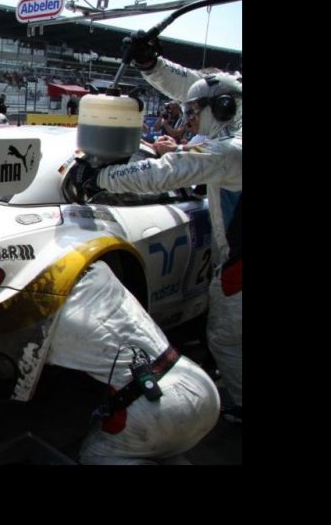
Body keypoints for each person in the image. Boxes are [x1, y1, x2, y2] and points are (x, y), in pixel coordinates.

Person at [71, 35, 243, 424]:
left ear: (222, 109)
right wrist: (152, 64)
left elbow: (167, 172)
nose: (189, 120)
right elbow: (200, 86)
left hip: (240, 264)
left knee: (226, 337)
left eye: (194, 113)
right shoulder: (232, 115)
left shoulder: (232, 149)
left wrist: (101, 177)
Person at [48, 261, 220, 464]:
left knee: (93, 456)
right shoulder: (101, 272)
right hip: (199, 383)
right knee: (165, 448)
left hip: (155, 406)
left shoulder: (52, 315)